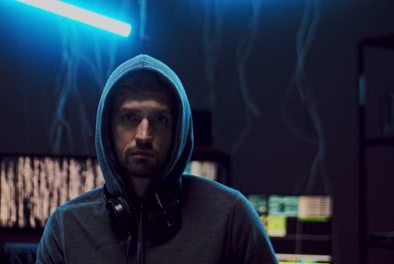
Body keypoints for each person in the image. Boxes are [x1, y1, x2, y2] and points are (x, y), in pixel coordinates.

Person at [36, 54, 278, 263]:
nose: (143, 135)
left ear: (178, 131)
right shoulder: (65, 227)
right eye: (129, 117)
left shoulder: (232, 216)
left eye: (159, 119)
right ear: (107, 129)